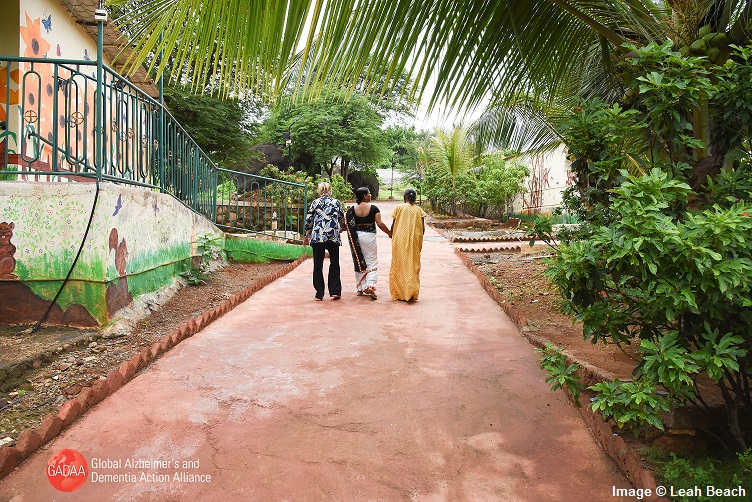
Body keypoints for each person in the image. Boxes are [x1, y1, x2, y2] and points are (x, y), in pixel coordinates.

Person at [343, 186, 392, 299]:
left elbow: (346, 226)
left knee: (359, 260)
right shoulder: (374, 208)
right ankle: (370, 285)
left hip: (357, 238)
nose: (370, 195)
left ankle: (360, 288)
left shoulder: (351, 210)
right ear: (365, 196)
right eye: (369, 193)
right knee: (371, 260)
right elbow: (380, 224)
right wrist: (389, 233)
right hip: (369, 238)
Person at [303, 182, 345, 301]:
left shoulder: (315, 202)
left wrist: (307, 236)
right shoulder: (336, 202)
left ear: (319, 190)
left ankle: (319, 293)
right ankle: (335, 291)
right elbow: (342, 218)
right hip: (332, 236)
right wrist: (341, 228)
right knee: (334, 263)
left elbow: (309, 220)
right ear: (330, 190)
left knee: (318, 265)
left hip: (318, 237)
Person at [389, 188, 427, 302]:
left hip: (400, 239)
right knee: (412, 264)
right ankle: (411, 292)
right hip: (414, 240)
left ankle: (399, 293)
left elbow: (393, 225)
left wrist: (391, 234)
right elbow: (423, 228)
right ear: (414, 198)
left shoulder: (399, 208)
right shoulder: (419, 210)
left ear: (404, 197)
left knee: (399, 263)